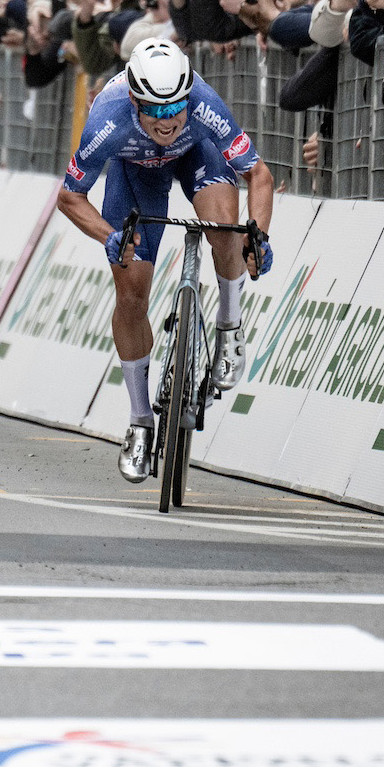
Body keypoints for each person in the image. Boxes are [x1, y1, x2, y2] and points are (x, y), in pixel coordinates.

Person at [54, 39, 275, 484]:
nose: (167, 120)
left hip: (198, 156)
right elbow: (69, 197)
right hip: (134, 170)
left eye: (174, 108)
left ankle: (229, 324)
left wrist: (259, 233)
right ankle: (140, 421)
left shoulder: (203, 104)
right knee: (132, 293)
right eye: (153, 110)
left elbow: (259, 174)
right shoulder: (107, 119)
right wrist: (109, 236)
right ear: (134, 100)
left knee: (224, 231)